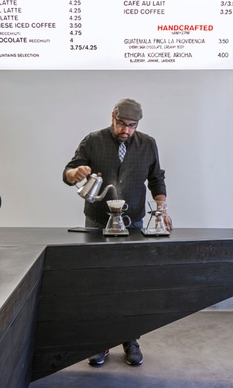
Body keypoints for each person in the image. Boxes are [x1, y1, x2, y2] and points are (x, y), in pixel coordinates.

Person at [62, 97, 173, 367]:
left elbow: (156, 178)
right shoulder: (93, 140)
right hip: (98, 221)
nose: (126, 130)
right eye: (121, 124)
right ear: (112, 116)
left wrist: (162, 209)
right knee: (97, 283)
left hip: (133, 221)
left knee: (129, 283)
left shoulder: (148, 143)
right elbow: (68, 171)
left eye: (132, 126)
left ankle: (130, 339)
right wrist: (75, 172)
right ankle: (98, 342)